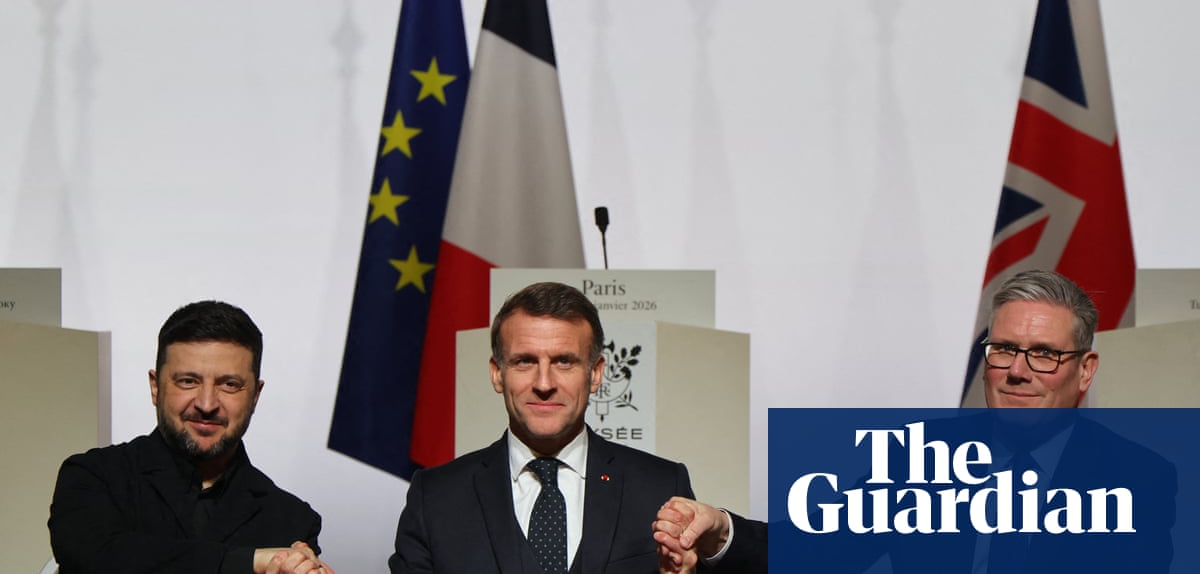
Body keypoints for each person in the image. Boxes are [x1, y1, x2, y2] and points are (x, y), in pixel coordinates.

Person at [653, 269, 1175, 574]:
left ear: (1086, 369)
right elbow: (817, 549)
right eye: (1003, 349)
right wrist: (720, 529)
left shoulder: (1137, 477)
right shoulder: (922, 455)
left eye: (1043, 354)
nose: (1017, 371)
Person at [388, 281, 696, 573]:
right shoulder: (435, 498)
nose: (544, 384)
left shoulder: (661, 487)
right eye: (525, 361)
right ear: (497, 374)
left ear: (595, 374)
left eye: (564, 361)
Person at [49, 300, 334, 574]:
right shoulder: (94, 478)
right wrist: (248, 562)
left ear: (255, 396)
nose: (206, 404)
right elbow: (99, 559)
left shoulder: (292, 521)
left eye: (229, 384)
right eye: (188, 381)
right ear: (155, 387)